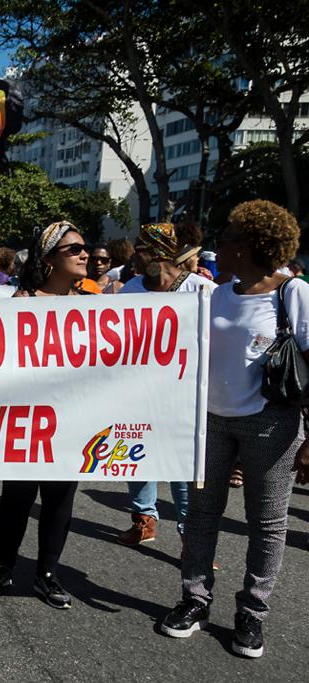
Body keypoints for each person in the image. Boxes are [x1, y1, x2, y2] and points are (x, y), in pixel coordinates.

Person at [159, 200, 309, 659]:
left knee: (266, 522)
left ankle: (252, 613)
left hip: (272, 422)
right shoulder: (214, 294)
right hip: (210, 421)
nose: (215, 246)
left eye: (223, 238)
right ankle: (194, 600)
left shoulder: (294, 293)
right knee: (203, 514)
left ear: (244, 247)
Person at [0, 220, 93, 609]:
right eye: (74, 249)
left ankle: (47, 574)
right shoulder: (21, 304)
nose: (84, 254)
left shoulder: (92, 308)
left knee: (60, 500)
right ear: (48, 259)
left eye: (84, 248)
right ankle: (3, 566)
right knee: (17, 498)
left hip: (72, 419)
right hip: (26, 421)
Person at [116, 223, 216, 547]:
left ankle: (192, 540)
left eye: (140, 251)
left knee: (182, 466)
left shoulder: (201, 289)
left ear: (157, 254)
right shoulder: (131, 288)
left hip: (183, 395)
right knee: (136, 453)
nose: (134, 258)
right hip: (137, 392)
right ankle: (143, 520)